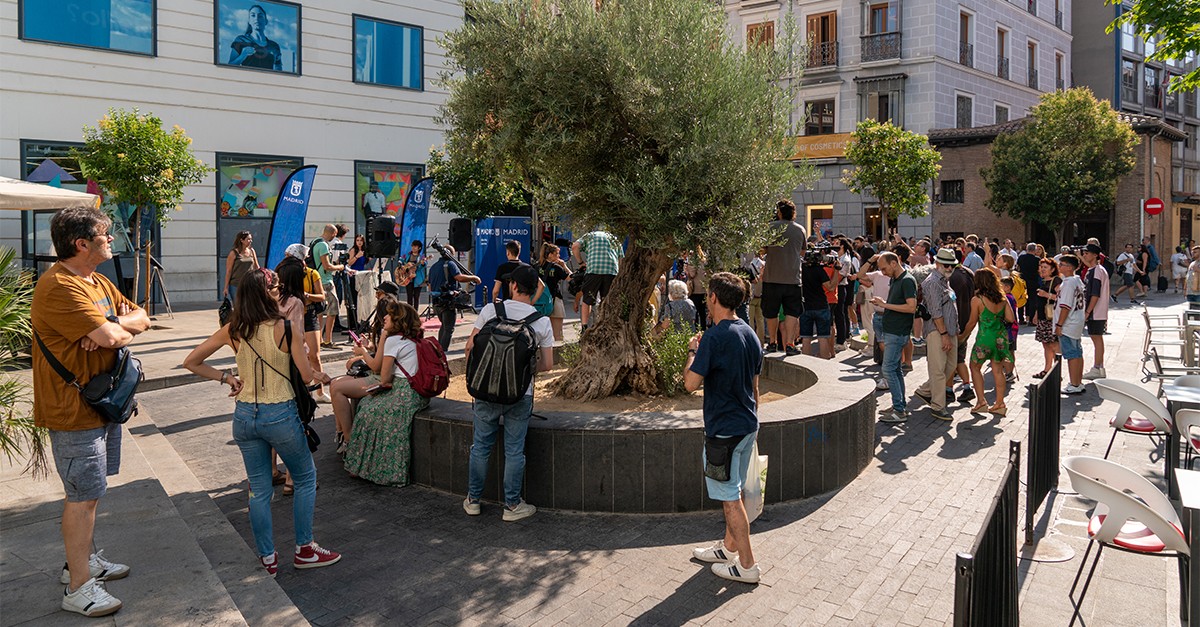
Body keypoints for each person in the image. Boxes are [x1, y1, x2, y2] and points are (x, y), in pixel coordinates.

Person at [32, 207, 150, 617]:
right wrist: (109, 331)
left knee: (92, 492)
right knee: (82, 497)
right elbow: (113, 334)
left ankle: (82, 563)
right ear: (82, 244)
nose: (112, 240)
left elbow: (140, 318)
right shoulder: (60, 286)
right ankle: (79, 588)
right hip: (73, 408)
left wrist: (110, 326)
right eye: (105, 235)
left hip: (101, 402)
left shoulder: (96, 280)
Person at [183, 269, 341, 576]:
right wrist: (318, 375)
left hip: (244, 417)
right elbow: (307, 377)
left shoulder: (234, 329)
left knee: (258, 489)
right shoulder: (285, 327)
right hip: (279, 412)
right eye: (275, 290)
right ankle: (305, 549)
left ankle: (267, 558)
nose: (279, 294)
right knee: (306, 478)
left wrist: (227, 378)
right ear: (264, 294)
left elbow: (191, 361)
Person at [684, 272, 764, 584]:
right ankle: (728, 549)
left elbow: (690, 383)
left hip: (724, 433)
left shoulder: (714, 337)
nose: (706, 300)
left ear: (714, 298)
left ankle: (747, 564)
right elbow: (755, 388)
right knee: (736, 490)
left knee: (730, 497)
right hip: (746, 425)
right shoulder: (750, 333)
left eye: (707, 296)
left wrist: (692, 350)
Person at [462, 266, 555, 521]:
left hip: (484, 390)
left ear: (513, 286)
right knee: (514, 450)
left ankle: (473, 500)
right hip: (519, 394)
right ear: (536, 288)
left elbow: (470, 346)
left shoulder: (491, 310)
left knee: (480, 446)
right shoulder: (542, 322)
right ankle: (512, 506)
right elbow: (547, 365)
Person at [341, 300, 429, 485]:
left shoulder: (393, 340)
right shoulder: (411, 338)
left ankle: (365, 465)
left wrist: (363, 351)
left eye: (390, 314)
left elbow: (384, 377)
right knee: (368, 406)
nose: (385, 317)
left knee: (368, 408)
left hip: (405, 393)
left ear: (398, 319)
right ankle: (366, 465)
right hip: (418, 393)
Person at [913, 248, 960, 421]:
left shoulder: (944, 280)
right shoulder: (932, 282)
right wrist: (944, 334)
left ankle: (925, 391)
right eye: (947, 265)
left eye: (952, 265)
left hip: (949, 331)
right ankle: (938, 406)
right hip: (938, 332)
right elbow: (935, 311)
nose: (950, 268)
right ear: (938, 263)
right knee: (938, 369)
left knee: (950, 366)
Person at [960, 269, 1015, 415]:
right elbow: (1011, 318)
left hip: (985, 338)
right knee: (998, 370)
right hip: (1000, 337)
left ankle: (981, 402)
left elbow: (971, 323)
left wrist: (962, 337)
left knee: (975, 367)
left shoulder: (977, 299)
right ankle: (1000, 403)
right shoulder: (1003, 298)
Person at [872, 252, 918, 424]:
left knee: (889, 369)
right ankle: (899, 405)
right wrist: (883, 303)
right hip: (893, 329)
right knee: (895, 370)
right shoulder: (897, 279)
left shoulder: (906, 280)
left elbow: (911, 307)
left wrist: (884, 304)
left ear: (894, 263)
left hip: (897, 332)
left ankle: (899, 410)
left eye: (884, 268)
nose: (883, 272)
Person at [761, 199, 807, 355]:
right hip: (793, 278)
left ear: (779, 213)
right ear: (793, 213)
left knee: (771, 312)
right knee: (792, 312)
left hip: (772, 277)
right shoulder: (800, 229)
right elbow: (802, 252)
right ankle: (790, 343)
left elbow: (762, 250)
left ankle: (773, 342)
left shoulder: (770, 228)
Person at [428, 244, 481, 351]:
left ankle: (439, 349)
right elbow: (459, 277)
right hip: (447, 301)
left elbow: (429, 285)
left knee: (444, 326)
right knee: (448, 328)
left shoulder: (433, 266)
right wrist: (474, 277)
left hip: (436, 302)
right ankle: (442, 352)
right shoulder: (450, 264)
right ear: (451, 254)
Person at [573, 228, 623, 329]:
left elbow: (575, 247)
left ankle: (584, 327)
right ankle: (606, 325)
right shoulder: (614, 239)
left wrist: (580, 263)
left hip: (593, 270)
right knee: (607, 300)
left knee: (587, 300)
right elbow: (621, 258)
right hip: (611, 270)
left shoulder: (589, 236)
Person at [1055, 255, 1088, 394]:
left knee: (1071, 354)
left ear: (1069, 267)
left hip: (1069, 323)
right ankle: (1077, 381)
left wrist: (1059, 324)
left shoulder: (1068, 283)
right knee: (1077, 352)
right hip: (1076, 320)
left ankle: (1074, 384)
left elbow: (1066, 306)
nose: (1059, 266)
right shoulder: (1076, 280)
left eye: (1062, 264)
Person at [313, 225, 347, 349]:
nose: (335, 237)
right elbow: (327, 266)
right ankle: (328, 340)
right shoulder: (323, 245)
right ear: (332, 233)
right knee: (333, 310)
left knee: (320, 311)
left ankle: (319, 339)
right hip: (326, 281)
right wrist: (340, 267)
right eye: (335, 234)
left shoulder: (314, 242)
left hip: (317, 280)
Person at [1079, 243, 1110, 380]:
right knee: (1097, 338)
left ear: (1095, 255)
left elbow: (1095, 294)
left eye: (1087, 253)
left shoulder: (1097, 271)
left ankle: (1098, 367)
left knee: (1096, 338)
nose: (1084, 255)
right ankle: (1099, 367)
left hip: (1096, 312)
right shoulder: (1097, 269)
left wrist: (1087, 312)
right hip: (1098, 311)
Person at [799, 249, 837, 359]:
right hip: (821, 305)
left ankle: (806, 366)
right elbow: (830, 287)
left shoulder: (802, 269)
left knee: (806, 338)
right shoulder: (819, 270)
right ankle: (823, 365)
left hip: (805, 306)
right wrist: (836, 271)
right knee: (823, 337)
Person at [1031, 257, 1062, 380]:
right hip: (1043, 317)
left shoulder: (1056, 281)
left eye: (1045, 267)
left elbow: (1061, 298)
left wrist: (1046, 294)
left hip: (1052, 318)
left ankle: (1056, 371)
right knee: (1045, 344)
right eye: (1041, 267)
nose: (1042, 269)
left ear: (1053, 269)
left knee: (1053, 345)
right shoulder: (1043, 281)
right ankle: (1047, 369)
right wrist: (1036, 315)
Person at [228, 4, 282, 71]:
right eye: (253, 15)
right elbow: (229, 66)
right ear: (249, 21)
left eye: (260, 16)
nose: (256, 19)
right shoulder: (241, 40)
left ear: (266, 21)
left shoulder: (274, 46)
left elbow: (279, 70)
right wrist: (242, 55)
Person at [537, 241, 572, 342]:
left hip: (540, 302)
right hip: (554, 299)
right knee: (558, 335)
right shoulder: (556, 268)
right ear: (550, 255)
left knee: (540, 335)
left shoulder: (536, 266)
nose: (559, 256)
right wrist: (564, 266)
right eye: (557, 253)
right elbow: (571, 278)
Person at [223, 230, 259, 303]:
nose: (251, 241)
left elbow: (257, 266)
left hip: (249, 284)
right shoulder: (233, 253)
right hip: (235, 285)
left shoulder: (252, 251)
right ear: (241, 240)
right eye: (248, 239)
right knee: (238, 306)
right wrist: (226, 287)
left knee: (249, 306)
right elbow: (228, 271)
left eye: (251, 239)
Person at [345, 234, 370, 328]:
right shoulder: (353, 250)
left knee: (362, 300)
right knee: (354, 299)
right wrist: (357, 256)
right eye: (357, 240)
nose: (359, 242)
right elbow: (349, 263)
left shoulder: (364, 251)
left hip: (362, 276)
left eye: (361, 240)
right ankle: (353, 323)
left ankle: (361, 321)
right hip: (354, 276)